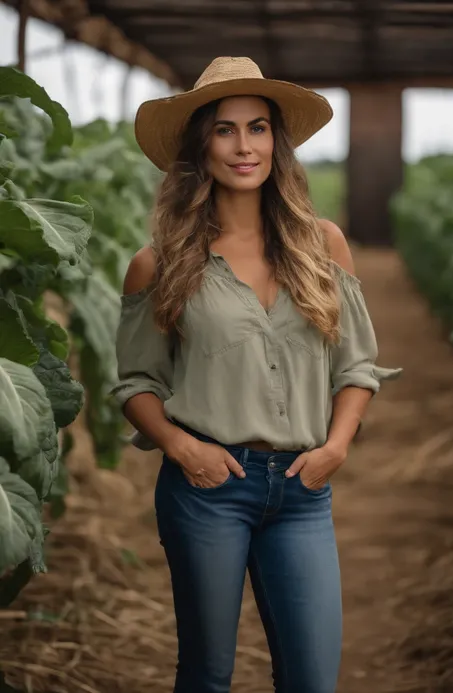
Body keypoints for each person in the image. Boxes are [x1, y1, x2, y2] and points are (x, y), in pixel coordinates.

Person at [110, 56, 402, 693]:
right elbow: (136, 383)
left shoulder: (322, 245)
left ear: (278, 142)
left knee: (311, 679)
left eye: (259, 128)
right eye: (225, 129)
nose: (244, 146)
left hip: (303, 492)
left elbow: (355, 363)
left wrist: (337, 446)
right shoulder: (158, 263)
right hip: (208, 492)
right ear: (200, 146)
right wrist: (185, 449)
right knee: (209, 675)